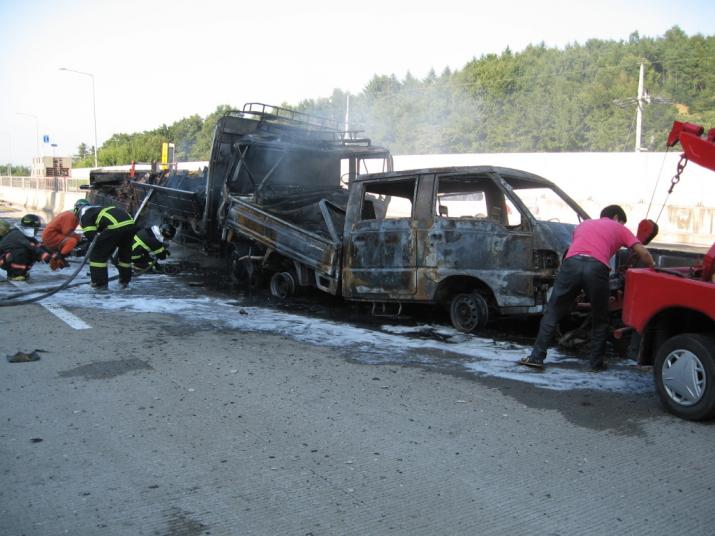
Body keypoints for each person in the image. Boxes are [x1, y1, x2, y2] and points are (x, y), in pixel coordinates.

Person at [518, 205, 655, 372]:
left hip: (571, 264)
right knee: (600, 319)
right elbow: (643, 252)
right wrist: (653, 266)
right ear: (617, 217)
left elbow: (580, 248)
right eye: (622, 221)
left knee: (553, 313)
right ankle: (595, 364)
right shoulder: (620, 228)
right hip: (597, 268)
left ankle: (536, 357)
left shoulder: (584, 225)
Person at [78, 204, 136, 290]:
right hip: (131, 226)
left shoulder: (86, 215)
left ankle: (99, 284)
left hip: (115, 227)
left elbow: (92, 237)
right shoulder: (101, 209)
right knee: (125, 255)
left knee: (97, 255)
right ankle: (124, 282)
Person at [0, 214, 52, 281]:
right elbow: (32, 247)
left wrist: (55, 256)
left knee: (31, 252)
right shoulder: (17, 234)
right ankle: (15, 275)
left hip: (5, 258)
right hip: (3, 259)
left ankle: (22, 272)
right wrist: (48, 258)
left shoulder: (24, 234)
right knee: (21, 251)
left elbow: (39, 246)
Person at [41, 198, 89, 270]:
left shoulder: (74, 214)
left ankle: (61, 253)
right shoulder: (71, 216)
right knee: (72, 241)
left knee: (76, 239)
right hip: (51, 236)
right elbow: (67, 232)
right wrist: (79, 237)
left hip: (54, 234)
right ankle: (60, 257)